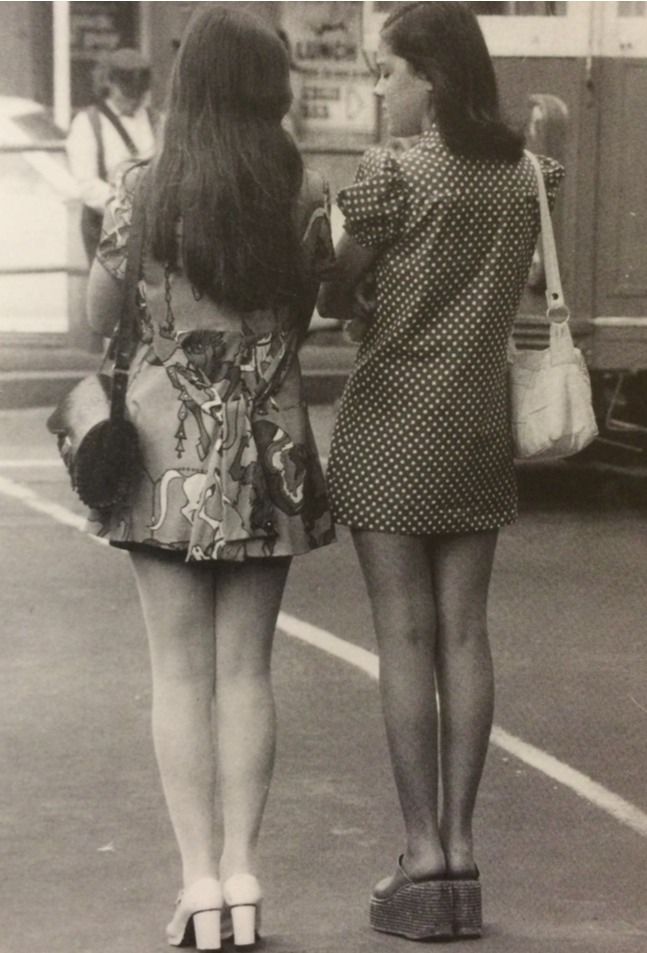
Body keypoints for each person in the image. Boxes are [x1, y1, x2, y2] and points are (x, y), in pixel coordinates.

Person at [86, 7, 335, 950]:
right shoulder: (301, 190)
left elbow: (98, 313)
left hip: (160, 457)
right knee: (247, 671)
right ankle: (243, 870)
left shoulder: (141, 192)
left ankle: (196, 880)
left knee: (178, 673)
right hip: (271, 450)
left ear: (186, 86)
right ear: (270, 90)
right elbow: (307, 312)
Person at [317, 1, 564, 941]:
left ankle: (418, 849)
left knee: (403, 639)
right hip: (474, 420)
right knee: (466, 635)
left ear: (433, 78)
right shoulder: (525, 177)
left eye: (387, 73)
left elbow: (342, 275)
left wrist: (344, 263)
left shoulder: (389, 173)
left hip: (388, 424)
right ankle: (462, 848)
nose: (378, 91)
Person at [66, 47, 156, 262]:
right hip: (106, 227)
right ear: (110, 84)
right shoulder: (88, 123)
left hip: (152, 227)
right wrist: (129, 207)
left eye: (140, 94)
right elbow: (87, 185)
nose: (134, 100)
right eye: (128, 93)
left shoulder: (155, 120)